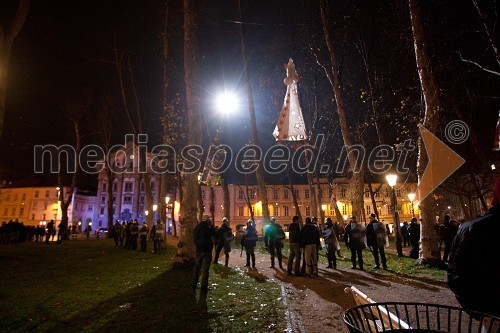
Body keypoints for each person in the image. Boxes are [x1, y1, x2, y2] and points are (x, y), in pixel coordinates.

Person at [448, 179, 500, 318]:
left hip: (488, 312)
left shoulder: (472, 228)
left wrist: (479, 311)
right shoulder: (474, 229)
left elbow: (456, 275)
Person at [192, 215, 215, 292]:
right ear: (208, 220)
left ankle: (194, 283)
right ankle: (204, 286)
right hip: (207, 250)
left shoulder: (197, 227)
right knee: (205, 269)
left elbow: (194, 237)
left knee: (197, 267)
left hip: (199, 250)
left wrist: (197, 244)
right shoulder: (209, 227)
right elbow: (215, 233)